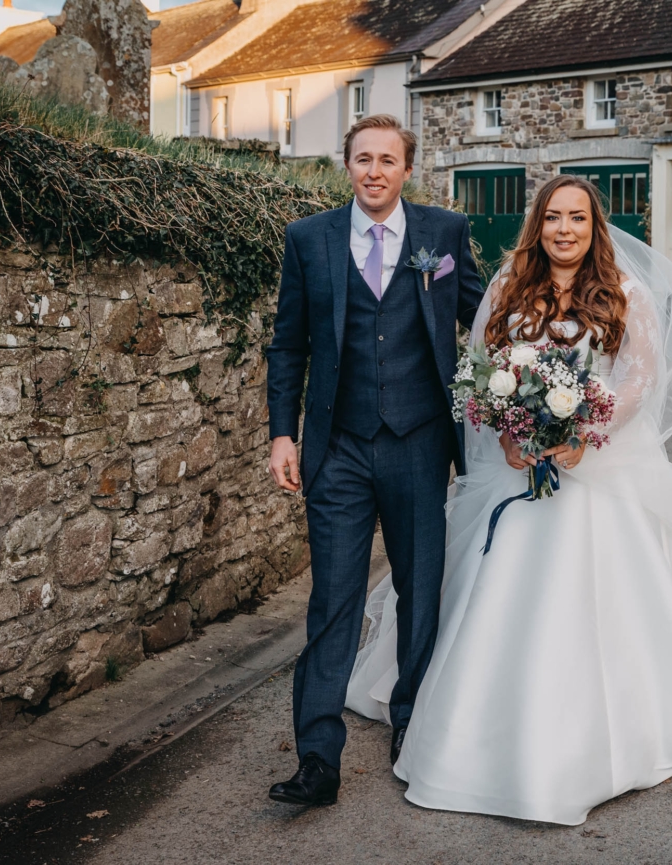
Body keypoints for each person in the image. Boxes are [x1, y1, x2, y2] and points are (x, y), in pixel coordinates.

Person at [346, 174, 672, 825]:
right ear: (537, 225)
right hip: (517, 468)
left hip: (596, 465)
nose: (565, 229)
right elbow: (481, 372)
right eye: (554, 218)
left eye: (578, 219)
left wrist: (583, 436)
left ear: (595, 228)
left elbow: (640, 380)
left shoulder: (625, 291)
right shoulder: (511, 288)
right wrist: (510, 434)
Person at [264, 114, 484, 806]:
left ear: (407, 168)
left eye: (388, 159)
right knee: (333, 597)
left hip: (420, 442)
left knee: (421, 591)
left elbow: (487, 314)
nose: (375, 171)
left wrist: (566, 317)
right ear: (347, 165)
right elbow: (288, 344)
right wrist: (281, 433)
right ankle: (318, 758)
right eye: (363, 159)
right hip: (338, 447)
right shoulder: (308, 239)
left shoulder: (443, 235)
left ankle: (410, 723)